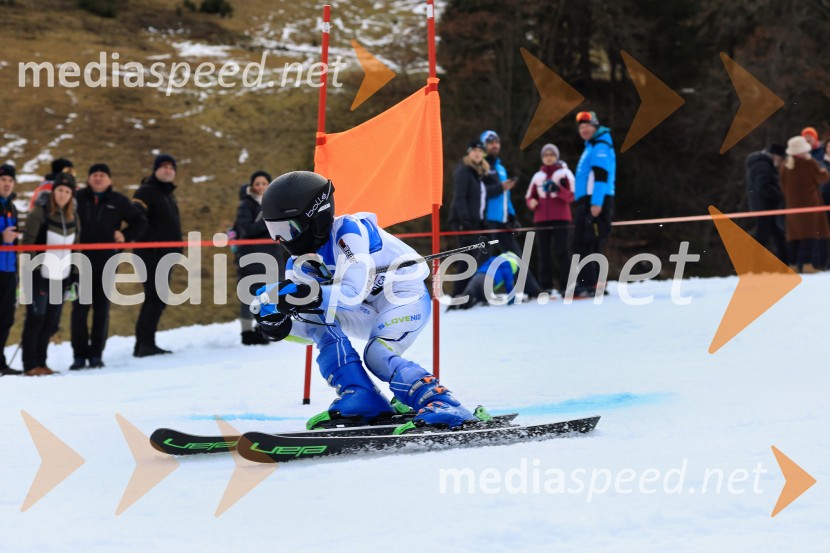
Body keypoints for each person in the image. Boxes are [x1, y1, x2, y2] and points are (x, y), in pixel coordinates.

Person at [253, 171, 483, 432]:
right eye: (274, 231)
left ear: (315, 219)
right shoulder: (298, 266)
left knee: (376, 354)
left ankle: (440, 401)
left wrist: (302, 295)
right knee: (317, 318)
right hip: (365, 311)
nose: (281, 240)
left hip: (402, 296)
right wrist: (280, 325)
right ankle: (362, 397)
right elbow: (312, 330)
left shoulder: (349, 231)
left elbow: (351, 292)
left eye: (287, 229)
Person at [70, 163, 147, 370]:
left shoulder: (119, 201)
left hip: (107, 263)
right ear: (88, 178)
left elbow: (140, 221)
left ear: (109, 180)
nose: (97, 178)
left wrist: (125, 235)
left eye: (102, 175)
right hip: (79, 263)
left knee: (101, 311)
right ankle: (78, 356)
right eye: (94, 174)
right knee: (79, 311)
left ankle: (96, 355)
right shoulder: (77, 198)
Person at [20, 172, 80, 376]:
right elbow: (27, 242)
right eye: (59, 190)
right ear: (53, 192)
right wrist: (33, 270)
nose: (63, 195)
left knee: (51, 322)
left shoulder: (73, 216)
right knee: (36, 318)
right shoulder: (40, 212)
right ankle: (30, 364)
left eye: (67, 191)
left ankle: (42, 362)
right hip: (40, 274)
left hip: (61, 277)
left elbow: (76, 247)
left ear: (71, 195)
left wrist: (74, 274)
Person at [132, 154, 182, 357]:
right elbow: (137, 217)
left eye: (171, 167)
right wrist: (152, 241)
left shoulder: (167, 194)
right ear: (155, 170)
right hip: (151, 254)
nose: (168, 170)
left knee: (157, 299)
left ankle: (144, 343)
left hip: (165, 255)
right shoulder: (146, 191)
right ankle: (145, 344)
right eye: (163, 166)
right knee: (155, 298)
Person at [233, 170, 284, 345]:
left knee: (271, 292)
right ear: (252, 187)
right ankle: (247, 332)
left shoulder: (275, 203)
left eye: (264, 183)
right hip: (251, 255)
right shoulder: (246, 205)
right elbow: (247, 228)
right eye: (257, 183)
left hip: (272, 255)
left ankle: (264, 328)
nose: (261, 186)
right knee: (249, 293)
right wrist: (268, 220)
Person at [447, 139, 503, 296]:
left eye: (480, 151)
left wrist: (481, 220)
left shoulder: (478, 173)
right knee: (466, 258)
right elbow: (460, 197)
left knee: (475, 257)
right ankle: (458, 294)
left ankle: (467, 293)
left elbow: (480, 200)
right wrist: (464, 220)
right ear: (468, 153)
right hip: (462, 221)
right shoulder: (463, 171)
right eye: (474, 150)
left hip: (475, 220)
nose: (478, 153)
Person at [572, 111, 616, 297]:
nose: (584, 130)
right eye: (581, 127)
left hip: (595, 201)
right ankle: (591, 283)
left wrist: (596, 204)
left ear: (596, 126)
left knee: (587, 242)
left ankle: (590, 284)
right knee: (586, 242)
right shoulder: (591, 146)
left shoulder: (600, 146)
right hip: (587, 200)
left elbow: (601, 176)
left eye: (587, 126)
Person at [525, 143, 575, 296]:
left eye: (551, 155)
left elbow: (572, 195)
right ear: (542, 158)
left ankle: (566, 285)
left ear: (556, 156)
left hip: (561, 218)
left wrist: (558, 190)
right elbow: (529, 197)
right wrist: (532, 203)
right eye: (546, 155)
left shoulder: (565, 173)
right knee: (543, 253)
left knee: (562, 251)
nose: (548, 157)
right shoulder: (537, 176)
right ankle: (544, 286)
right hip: (541, 219)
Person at [779, 135, 830, 273]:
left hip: (792, 206)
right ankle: (808, 265)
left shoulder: (785, 166)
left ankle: (793, 265)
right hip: (810, 205)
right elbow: (823, 178)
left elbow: (782, 186)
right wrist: (825, 170)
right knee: (809, 235)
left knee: (794, 237)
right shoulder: (809, 163)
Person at [449, 251, 544, 310]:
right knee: (483, 300)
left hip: (477, 277)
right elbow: (509, 286)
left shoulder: (493, 259)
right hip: (488, 281)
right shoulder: (508, 267)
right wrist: (512, 301)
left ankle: (456, 304)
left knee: (469, 293)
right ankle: (470, 304)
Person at [480, 130, 522, 256]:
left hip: (502, 221)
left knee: (516, 257)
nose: (495, 145)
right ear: (483, 146)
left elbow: (506, 196)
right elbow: (478, 193)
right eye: (490, 143)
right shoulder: (480, 166)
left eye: (497, 142)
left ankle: (525, 277)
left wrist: (512, 215)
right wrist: (500, 188)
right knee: (483, 257)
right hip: (486, 220)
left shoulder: (501, 168)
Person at [745, 143, 787, 263]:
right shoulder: (762, 165)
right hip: (765, 207)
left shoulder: (760, 163)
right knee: (763, 237)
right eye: (781, 158)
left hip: (764, 207)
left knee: (776, 236)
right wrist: (780, 195)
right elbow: (763, 187)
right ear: (775, 156)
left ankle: (784, 263)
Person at [0, 164, 22, 375]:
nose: (7, 184)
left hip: (8, 270)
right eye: (3, 179)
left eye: (10, 180)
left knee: (6, 318)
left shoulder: (12, 207)